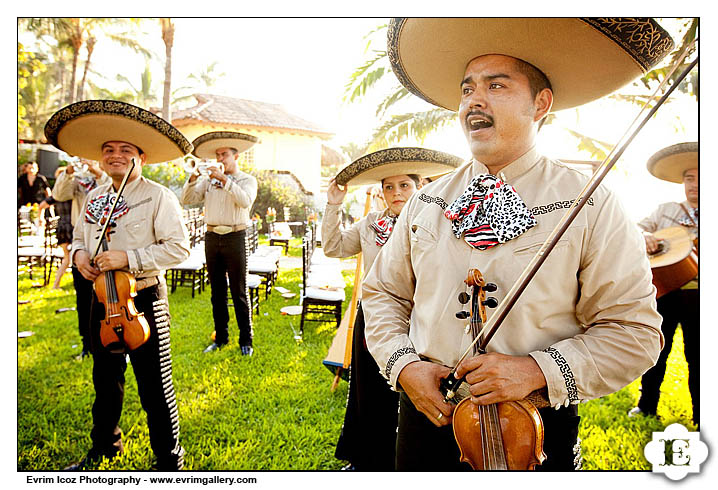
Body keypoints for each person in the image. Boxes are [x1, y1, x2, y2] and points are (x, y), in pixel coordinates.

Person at [362, 18, 673, 471]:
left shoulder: (589, 202)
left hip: (531, 430)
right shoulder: (426, 199)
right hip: (426, 419)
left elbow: (634, 333)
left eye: (497, 85)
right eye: (467, 89)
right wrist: (403, 365)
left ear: (540, 103)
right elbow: (383, 293)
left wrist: (537, 370)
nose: (474, 100)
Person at [44, 99, 192, 470]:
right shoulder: (94, 196)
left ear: (139, 157)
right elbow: (80, 238)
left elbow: (179, 248)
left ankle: (168, 459)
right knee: (105, 378)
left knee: (154, 382)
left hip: (141, 298)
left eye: (125, 150)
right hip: (101, 299)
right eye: (109, 150)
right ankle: (104, 446)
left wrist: (129, 259)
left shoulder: (159, 196)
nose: (115, 156)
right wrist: (79, 258)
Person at [324, 148, 463, 470]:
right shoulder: (370, 225)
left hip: (422, 321)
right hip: (375, 319)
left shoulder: (437, 223)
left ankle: (402, 459)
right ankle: (364, 458)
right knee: (368, 389)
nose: (396, 193)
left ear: (421, 187)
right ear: (381, 192)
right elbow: (333, 247)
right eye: (389, 187)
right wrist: (333, 204)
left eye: (404, 185)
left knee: (412, 390)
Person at [628, 142, 699, 427]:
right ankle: (646, 407)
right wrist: (643, 235)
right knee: (657, 349)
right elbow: (635, 227)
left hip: (701, 297)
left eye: (701, 177)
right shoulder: (666, 209)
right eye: (689, 178)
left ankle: (701, 412)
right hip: (665, 292)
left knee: (700, 356)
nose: (693, 184)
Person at [181, 131, 259, 355]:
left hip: (236, 237)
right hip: (212, 237)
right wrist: (195, 177)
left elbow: (244, 202)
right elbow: (187, 200)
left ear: (236, 157)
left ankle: (246, 340)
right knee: (217, 292)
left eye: (224, 155)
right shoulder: (208, 181)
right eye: (217, 155)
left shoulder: (247, 180)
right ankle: (221, 338)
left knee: (239, 291)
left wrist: (225, 181)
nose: (220, 159)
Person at [52, 158, 110, 358]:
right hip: (83, 243)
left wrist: (98, 173)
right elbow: (58, 194)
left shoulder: (109, 179)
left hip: (109, 242)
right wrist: (68, 172)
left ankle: (115, 340)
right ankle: (87, 343)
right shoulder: (77, 182)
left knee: (111, 297)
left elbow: (117, 196)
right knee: (84, 300)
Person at [37, 167, 74, 289]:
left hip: (62, 227)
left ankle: (56, 284)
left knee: (67, 258)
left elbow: (42, 205)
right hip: (71, 227)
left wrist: (40, 217)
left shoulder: (56, 195)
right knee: (69, 258)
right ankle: (56, 284)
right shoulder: (69, 192)